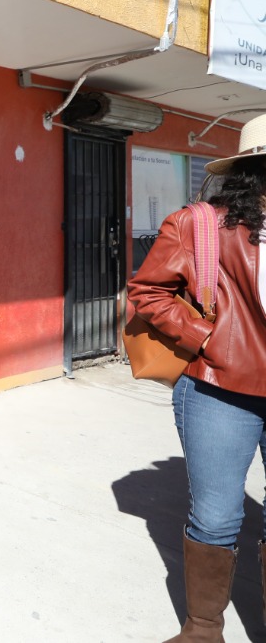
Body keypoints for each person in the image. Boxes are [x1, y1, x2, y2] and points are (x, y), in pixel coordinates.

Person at [129, 113, 266, 642]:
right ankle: (203, 630)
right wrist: (206, 337)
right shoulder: (200, 224)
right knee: (216, 517)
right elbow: (148, 290)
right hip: (219, 390)